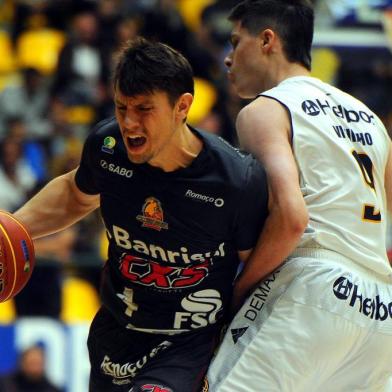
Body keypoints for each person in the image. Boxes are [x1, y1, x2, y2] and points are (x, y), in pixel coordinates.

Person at [13, 37, 269, 392]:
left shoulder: (235, 181)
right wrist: (12, 226)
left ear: (183, 107)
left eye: (144, 109)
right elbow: (75, 193)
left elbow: (260, 268)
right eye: (121, 108)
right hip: (116, 331)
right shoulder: (107, 148)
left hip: (188, 343)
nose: (129, 123)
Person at [207, 1, 392, 391]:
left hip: (314, 285)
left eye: (235, 41)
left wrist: (240, 291)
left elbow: (292, 217)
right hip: (381, 310)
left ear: (267, 40)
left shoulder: (267, 109)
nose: (228, 57)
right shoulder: (372, 120)